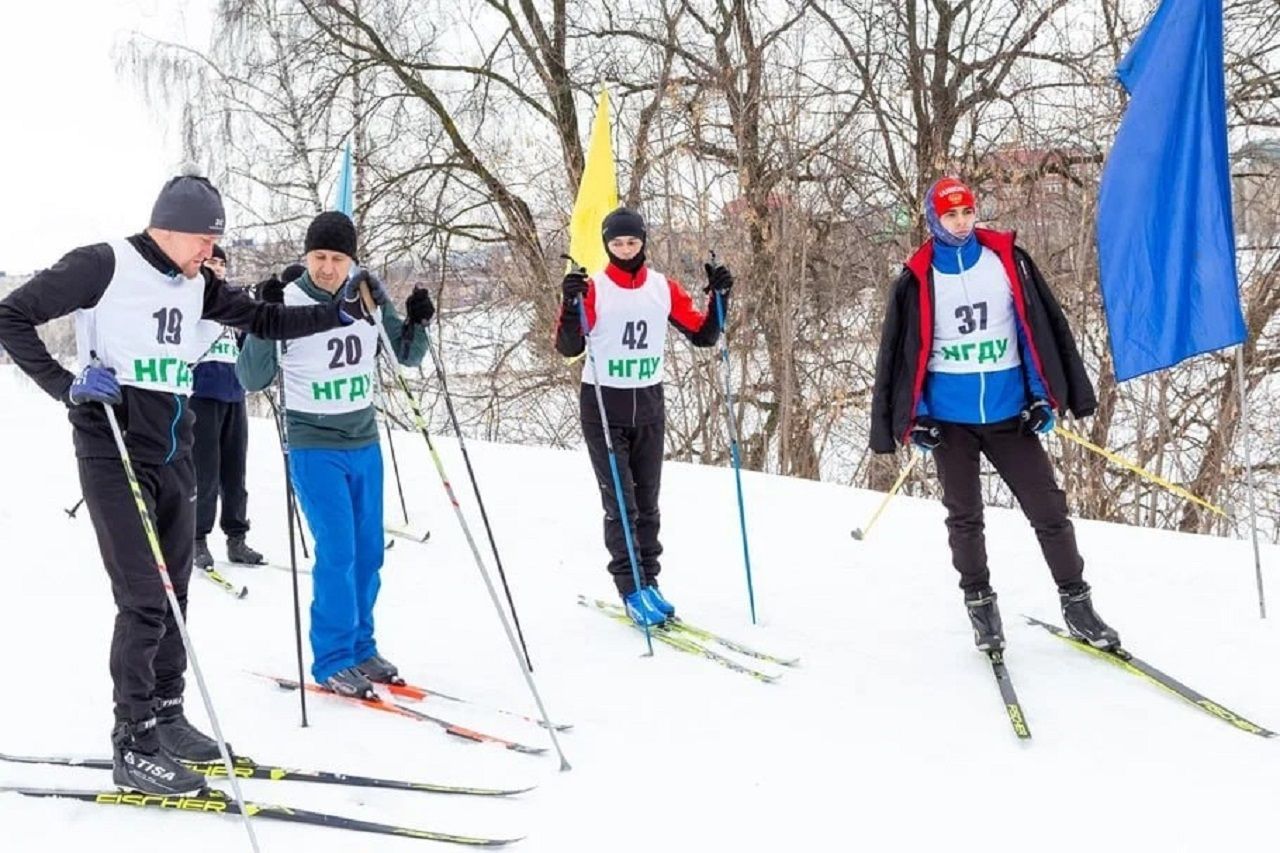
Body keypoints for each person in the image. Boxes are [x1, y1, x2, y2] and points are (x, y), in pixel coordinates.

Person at [0, 168, 355, 794]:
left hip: (174, 447)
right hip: (114, 447)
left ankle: (167, 715)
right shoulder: (103, 263)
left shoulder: (195, 282)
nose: (210, 254)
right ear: (172, 229)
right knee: (142, 597)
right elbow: (10, 316)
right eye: (204, 241)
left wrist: (331, 314)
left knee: (175, 594)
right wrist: (67, 384)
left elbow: (261, 320)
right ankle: (131, 740)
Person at [869, 176, 1120, 652]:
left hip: (1009, 414)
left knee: (1049, 509)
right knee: (965, 517)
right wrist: (916, 417)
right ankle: (981, 607)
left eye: (967, 212)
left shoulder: (1005, 260)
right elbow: (906, 356)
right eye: (950, 215)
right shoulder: (918, 276)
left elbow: (1034, 331)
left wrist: (1042, 397)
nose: (961, 223)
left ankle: (1078, 605)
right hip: (951, 421)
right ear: (933, 218)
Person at [236, 211, 434, 699]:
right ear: (307, 256)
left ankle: (362, 647)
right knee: (338, 551)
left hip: (364, 440)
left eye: (337, 258)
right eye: (319, 257)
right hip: (314, 444)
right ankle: (332, 658)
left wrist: (418, 320)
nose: (327, 267)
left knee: (369, 552)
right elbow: (251, 380)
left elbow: (406, 354)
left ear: (352, 259)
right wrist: (263, 319)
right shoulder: (290, 298)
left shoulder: (365, 293)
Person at [555, 207, 732, 627]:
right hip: (603, 406)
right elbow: (567, 347)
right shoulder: (593, 288)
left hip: (649, 403)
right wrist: (569, 302)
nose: (625, 250)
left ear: (643, 242)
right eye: (616, 244)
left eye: (632, 242)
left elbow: (704, 335)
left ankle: (649, 580)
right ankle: (630, 587)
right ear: (606, 245)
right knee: (622, 503)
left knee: (648, 503)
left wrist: (721, 295)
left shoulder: (661, 288)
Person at [191, 244, 264, 570]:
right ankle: (196, 539)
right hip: (202, 392)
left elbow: (247, 343)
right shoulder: (192, 296)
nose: (218, 267)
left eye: (222, 262)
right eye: (211, 261)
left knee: (235, 472)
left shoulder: (231, 301)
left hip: (234, 393)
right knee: (205, 472)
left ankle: (237, 537)